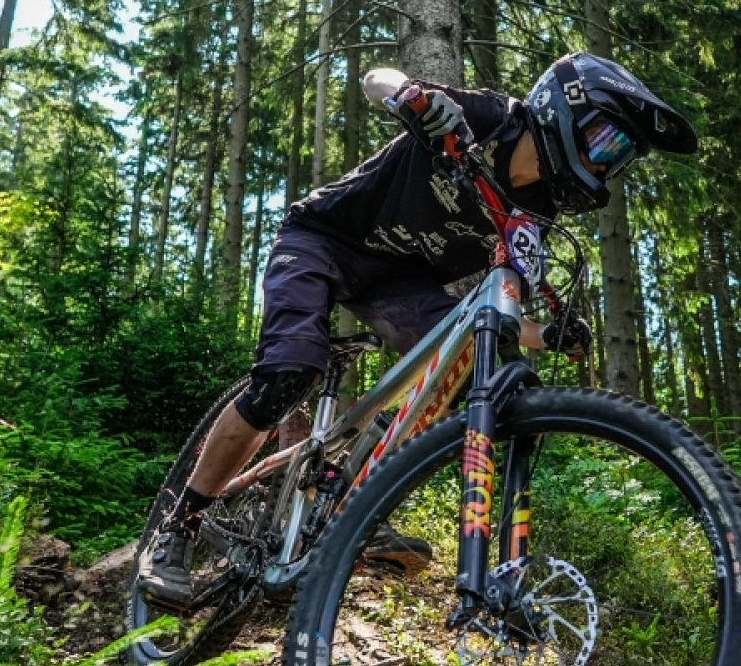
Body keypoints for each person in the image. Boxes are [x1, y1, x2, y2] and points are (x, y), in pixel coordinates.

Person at [138, 51, 698, 605]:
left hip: (398, 282)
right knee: (288, 375)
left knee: (464, 368)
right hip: (324, 241)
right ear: (563, 109)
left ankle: (348, 498)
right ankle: (177, 530)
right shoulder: (490, 118)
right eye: (606, 143)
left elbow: (500, 306)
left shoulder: (540, 208)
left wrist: (548, 335)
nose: (605, 164)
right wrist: (413, 99)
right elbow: (379, 79)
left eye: (618, 157)